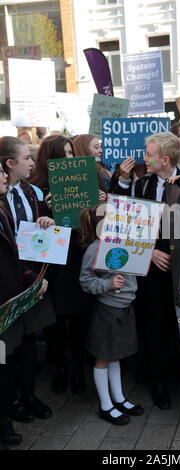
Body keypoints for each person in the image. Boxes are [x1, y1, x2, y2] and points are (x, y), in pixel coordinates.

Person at [115, 132, 180, 409]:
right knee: (155, 326)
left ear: (164, 159)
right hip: (152, 272)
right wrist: (149, 252)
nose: (144, 158)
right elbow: (127, 224)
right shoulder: (143, 184)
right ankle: (158, 381)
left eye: (148, 154)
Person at [0, 136, 55, 423]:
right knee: (11, 346)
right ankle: (11, 403)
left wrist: (46, 221)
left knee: (31, 338)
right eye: (27, 158)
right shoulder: (2, 197)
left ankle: (29, 395)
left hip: (36, 276)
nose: (33, 163)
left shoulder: (31, 192)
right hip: (12, 280)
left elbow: (38, 229)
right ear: (10, 164)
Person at [29, 134, 89, 393]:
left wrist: (95, 204)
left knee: (78, 316)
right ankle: (61, 367)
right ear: (51, 158)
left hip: (76, 256)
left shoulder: (81, 180)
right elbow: (30, 236)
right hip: (53, 263)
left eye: (71, 153)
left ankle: (77, 367)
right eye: (64, 154)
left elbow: (90, 225)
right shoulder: (37, 190)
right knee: (55, 319)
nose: (70, 158)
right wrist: (46, 215)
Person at [79, 204, 144, 425]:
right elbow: (86, 280)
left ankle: (119, 398)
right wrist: (107, 284)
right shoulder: (95, 249)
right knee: (104, 357)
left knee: (115, 355)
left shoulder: (125, 243)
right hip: (108, 309)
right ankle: (105, 405)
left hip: (125, 307)